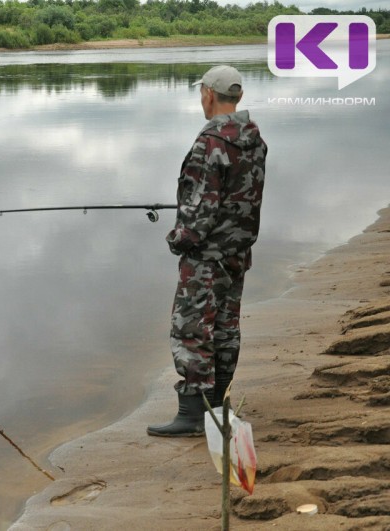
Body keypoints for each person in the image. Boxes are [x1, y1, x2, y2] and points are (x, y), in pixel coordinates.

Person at [147, 65, 268, 437]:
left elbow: (201, 213)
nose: (202, 98)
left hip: (206, 258)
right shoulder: (254, 138)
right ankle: (218, 406)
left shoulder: (210, 143)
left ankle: (192, 415)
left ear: (209, 94)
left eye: (202, 92)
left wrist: (177, 239)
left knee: (192, 329)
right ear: (239, 96)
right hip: (238, 253)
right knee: (226, 329)